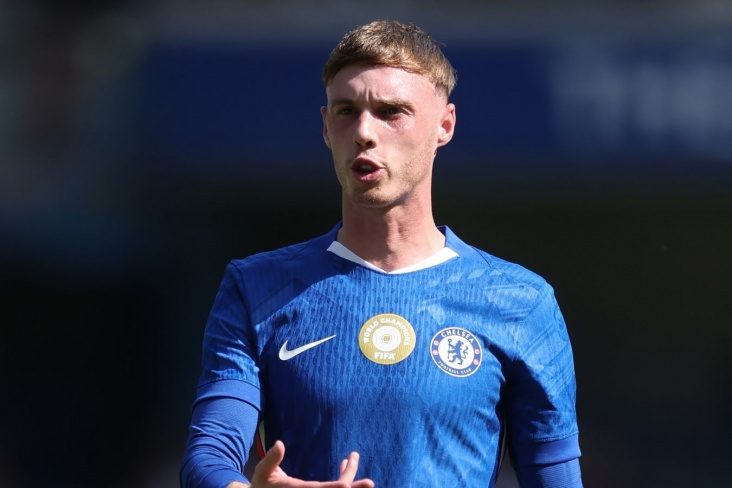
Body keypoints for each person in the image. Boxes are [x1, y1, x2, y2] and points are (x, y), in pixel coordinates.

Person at [180, 19, 583, 488]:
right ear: (326, 127)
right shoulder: (256, 288)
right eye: (346, 111)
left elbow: (556, 477)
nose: (364, 132)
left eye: (391, 111)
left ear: (444, 126)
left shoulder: (521, 300)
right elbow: (208, 456)